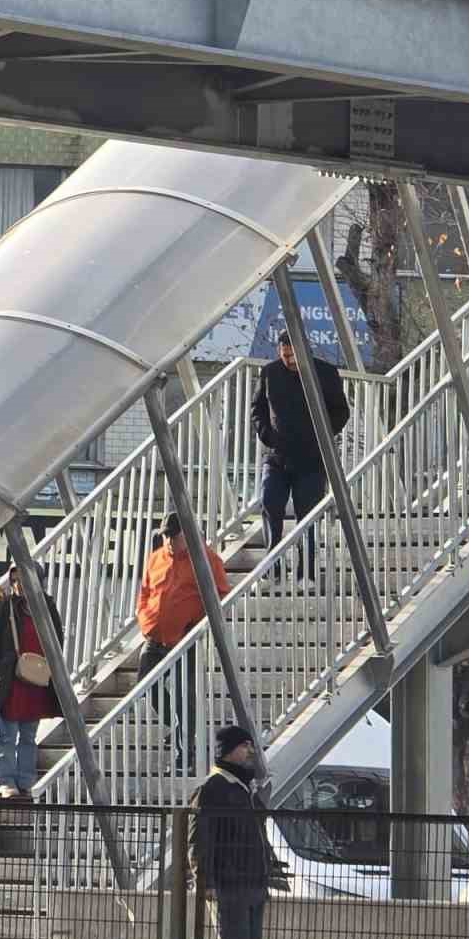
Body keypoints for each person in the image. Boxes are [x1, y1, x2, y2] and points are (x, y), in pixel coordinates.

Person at [250, 331, 350, 579]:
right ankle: (273, 566)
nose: (289, 361)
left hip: (312, 458)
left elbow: (341, 411)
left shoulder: (325, 373)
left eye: (293, 356)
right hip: (277, 455)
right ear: (278, 352)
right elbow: (257, 409)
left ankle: (306, 571)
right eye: (284, 356)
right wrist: (267, 435)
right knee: (270, 503)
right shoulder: (270, 373)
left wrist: (322, 435)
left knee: (308, 516)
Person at [136, 513, 229, 774]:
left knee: (183, 697)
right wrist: (144, 620)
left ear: (186, 536)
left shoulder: (206, 558)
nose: (166, 540)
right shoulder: (156, 557)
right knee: (146, 687)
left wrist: (197, 623)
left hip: (183, 640)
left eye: (171, 536)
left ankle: (183, 755)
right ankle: (180, 727)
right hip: (154, 637)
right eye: (165, 535)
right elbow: (144, 593)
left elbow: (221, 593)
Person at [191, 725, 283, 939]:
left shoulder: (245, 787)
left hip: (254, 883)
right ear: (230, 750)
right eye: (245, 745)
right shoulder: (213, 788)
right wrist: (205, 881)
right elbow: (198, 839)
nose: (250, 751)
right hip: (229, 885)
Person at [0, 563, 65, 800]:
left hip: (36, 678)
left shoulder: (46, 606)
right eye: (15, 580)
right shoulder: (4, 606)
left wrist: (52, 668)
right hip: (10, 678)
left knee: (29, 734)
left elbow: (57, 638)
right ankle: (6, 781)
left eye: (23, 579)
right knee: (7, 733)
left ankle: (25, 780)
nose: (18, 585)